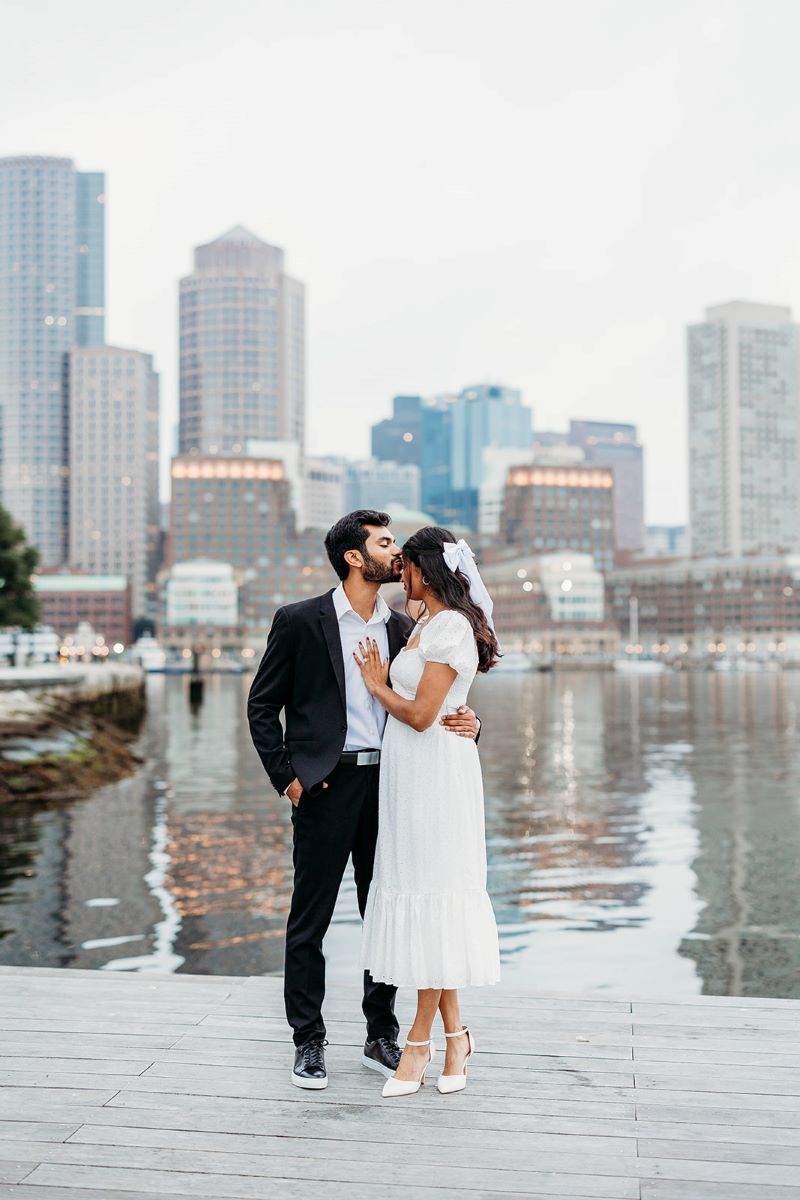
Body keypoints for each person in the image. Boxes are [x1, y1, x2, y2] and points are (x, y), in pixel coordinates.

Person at [247, 510, 481, 1089]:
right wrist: (289, 780)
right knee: (311, 919)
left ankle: (382, 1034)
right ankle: (309, 1040)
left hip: (397, 786)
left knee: (388, 911)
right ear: (354, 557)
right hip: (324, 787)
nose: (396, 553)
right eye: (384, 543)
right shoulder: (301, 620)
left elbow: (437, 697)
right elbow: (261, 706)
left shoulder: (408, 628)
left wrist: (473, 727)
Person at [355, 525, 501, 1097]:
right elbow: (442, 705)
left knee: (436, 895)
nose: (400, 574)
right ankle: (457, 1035)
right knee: (423, 894)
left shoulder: (453, 628)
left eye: (406, 565)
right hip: (407, 778)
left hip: (437, 774)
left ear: (423, 569)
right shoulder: (420, 625)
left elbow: (421, 715)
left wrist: (374, 684)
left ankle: (419, 1043)